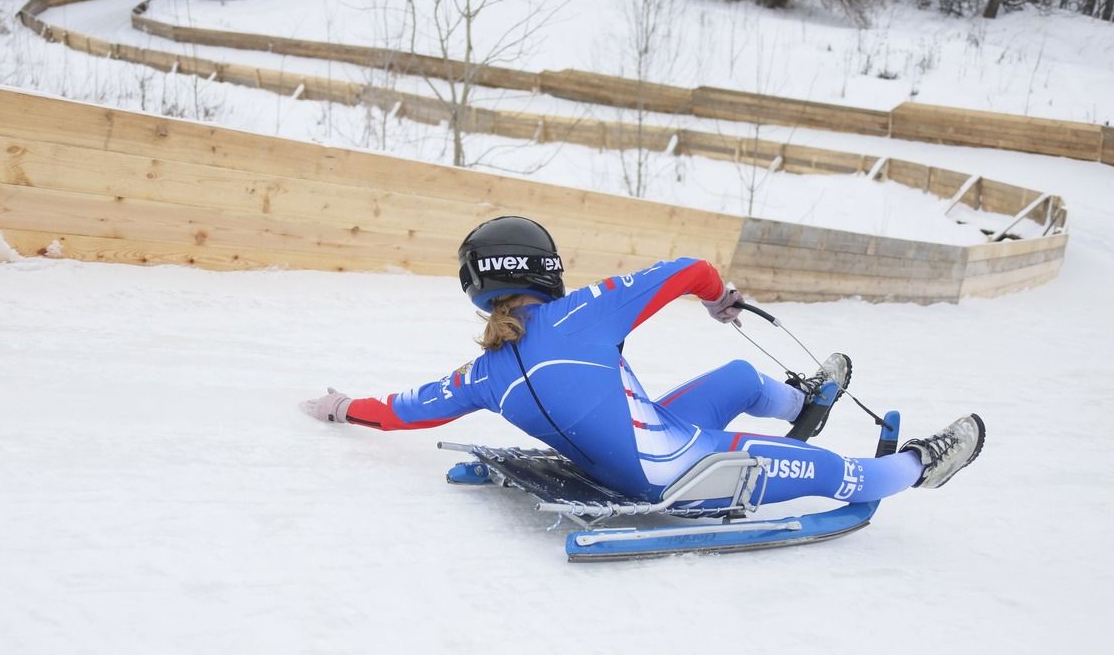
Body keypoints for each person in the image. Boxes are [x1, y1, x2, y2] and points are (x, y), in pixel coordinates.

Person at [303, 215, 984, 507]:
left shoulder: (480, 375)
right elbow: (693, 269)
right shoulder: (584, 309)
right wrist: (720, 302)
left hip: (640, 446)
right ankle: (922, 465)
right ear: (549, 270)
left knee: (741, 379)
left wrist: (340, 407)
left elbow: (396, 412)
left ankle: (804, 406)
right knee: (846, 474)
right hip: (682, 468)